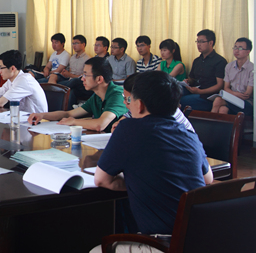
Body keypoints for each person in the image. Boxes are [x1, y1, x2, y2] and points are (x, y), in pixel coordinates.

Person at [90, 71, 212, 253]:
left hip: (164, 244)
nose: (127, 104)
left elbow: (101, 180)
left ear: (139, 104)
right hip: (200, 239)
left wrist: (140, 181)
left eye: (129, 100)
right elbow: (207, 178)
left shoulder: (129, 129)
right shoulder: (187, 133)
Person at [28, 57, 127, 132]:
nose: (82, 79)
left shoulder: (117, 95)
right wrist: (42, 115)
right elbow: (68, 114)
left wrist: (73, 121)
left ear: (99, 79)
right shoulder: (97, 96)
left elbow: (100, 125)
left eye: (85, 75)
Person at [111, 73, 194, 133]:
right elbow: (125, 120)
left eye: (128, 99)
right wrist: (118, 124)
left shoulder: (159, 118)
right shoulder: (153, 106)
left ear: (140, 102)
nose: (125, 102)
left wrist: (122, 130)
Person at [180, 29, 227, 111]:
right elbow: (192, 78)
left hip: (207, 96)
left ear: (211, 43)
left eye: (201, 42)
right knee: (171, 93)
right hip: (194, 90)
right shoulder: (197, 60)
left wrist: (200, 91)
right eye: (197, 42)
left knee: (181, 101)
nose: (198, 44)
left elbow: (219, 85)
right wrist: (187, 81)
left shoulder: (220, 61)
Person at [212, 37, 254, 116]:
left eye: (240, 48)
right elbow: (226, 88)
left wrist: (232, 94)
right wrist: (236, 94)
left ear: (248, 52)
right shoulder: (229, 66)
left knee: (218, 100)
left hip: (246, 103)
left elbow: (246, 95)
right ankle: (215, 124)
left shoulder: (252, 69)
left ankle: (209, 123)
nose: (236, 51)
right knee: (223, 109)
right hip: (232, 99)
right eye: (235, 47)